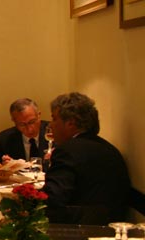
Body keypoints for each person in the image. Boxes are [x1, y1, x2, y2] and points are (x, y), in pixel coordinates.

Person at [42, 92, 130, 225]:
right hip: (114, 224)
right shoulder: (108, 148)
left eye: (54, 119)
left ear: (70, 123)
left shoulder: (67, 150)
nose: (51, 125)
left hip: (82, 228)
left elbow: (52, 199)